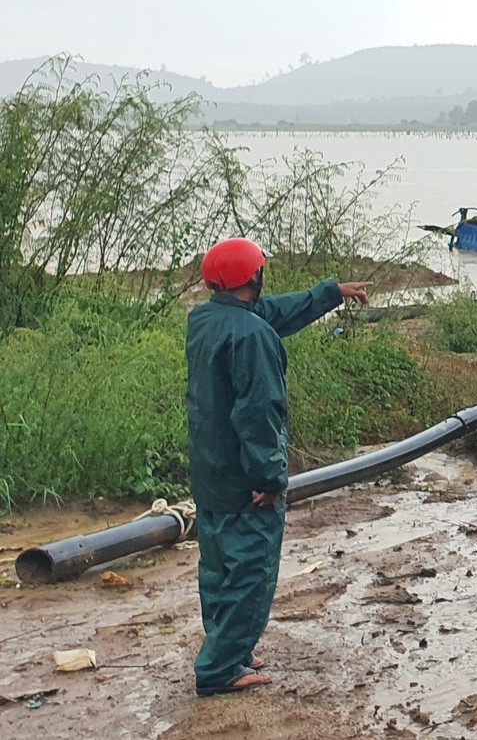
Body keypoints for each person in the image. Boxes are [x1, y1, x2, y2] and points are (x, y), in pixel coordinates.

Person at [185, 238, 370, 697]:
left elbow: (273, 313)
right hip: (248, 482)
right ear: (254, 278)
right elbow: (259, 413)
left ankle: (231, 647)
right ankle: (221, 667)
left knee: (219, 570)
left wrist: (330, 293)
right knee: (250, 573)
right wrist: (270, 478)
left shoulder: (207, 320)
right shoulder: (251, 337)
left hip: (211, 475)